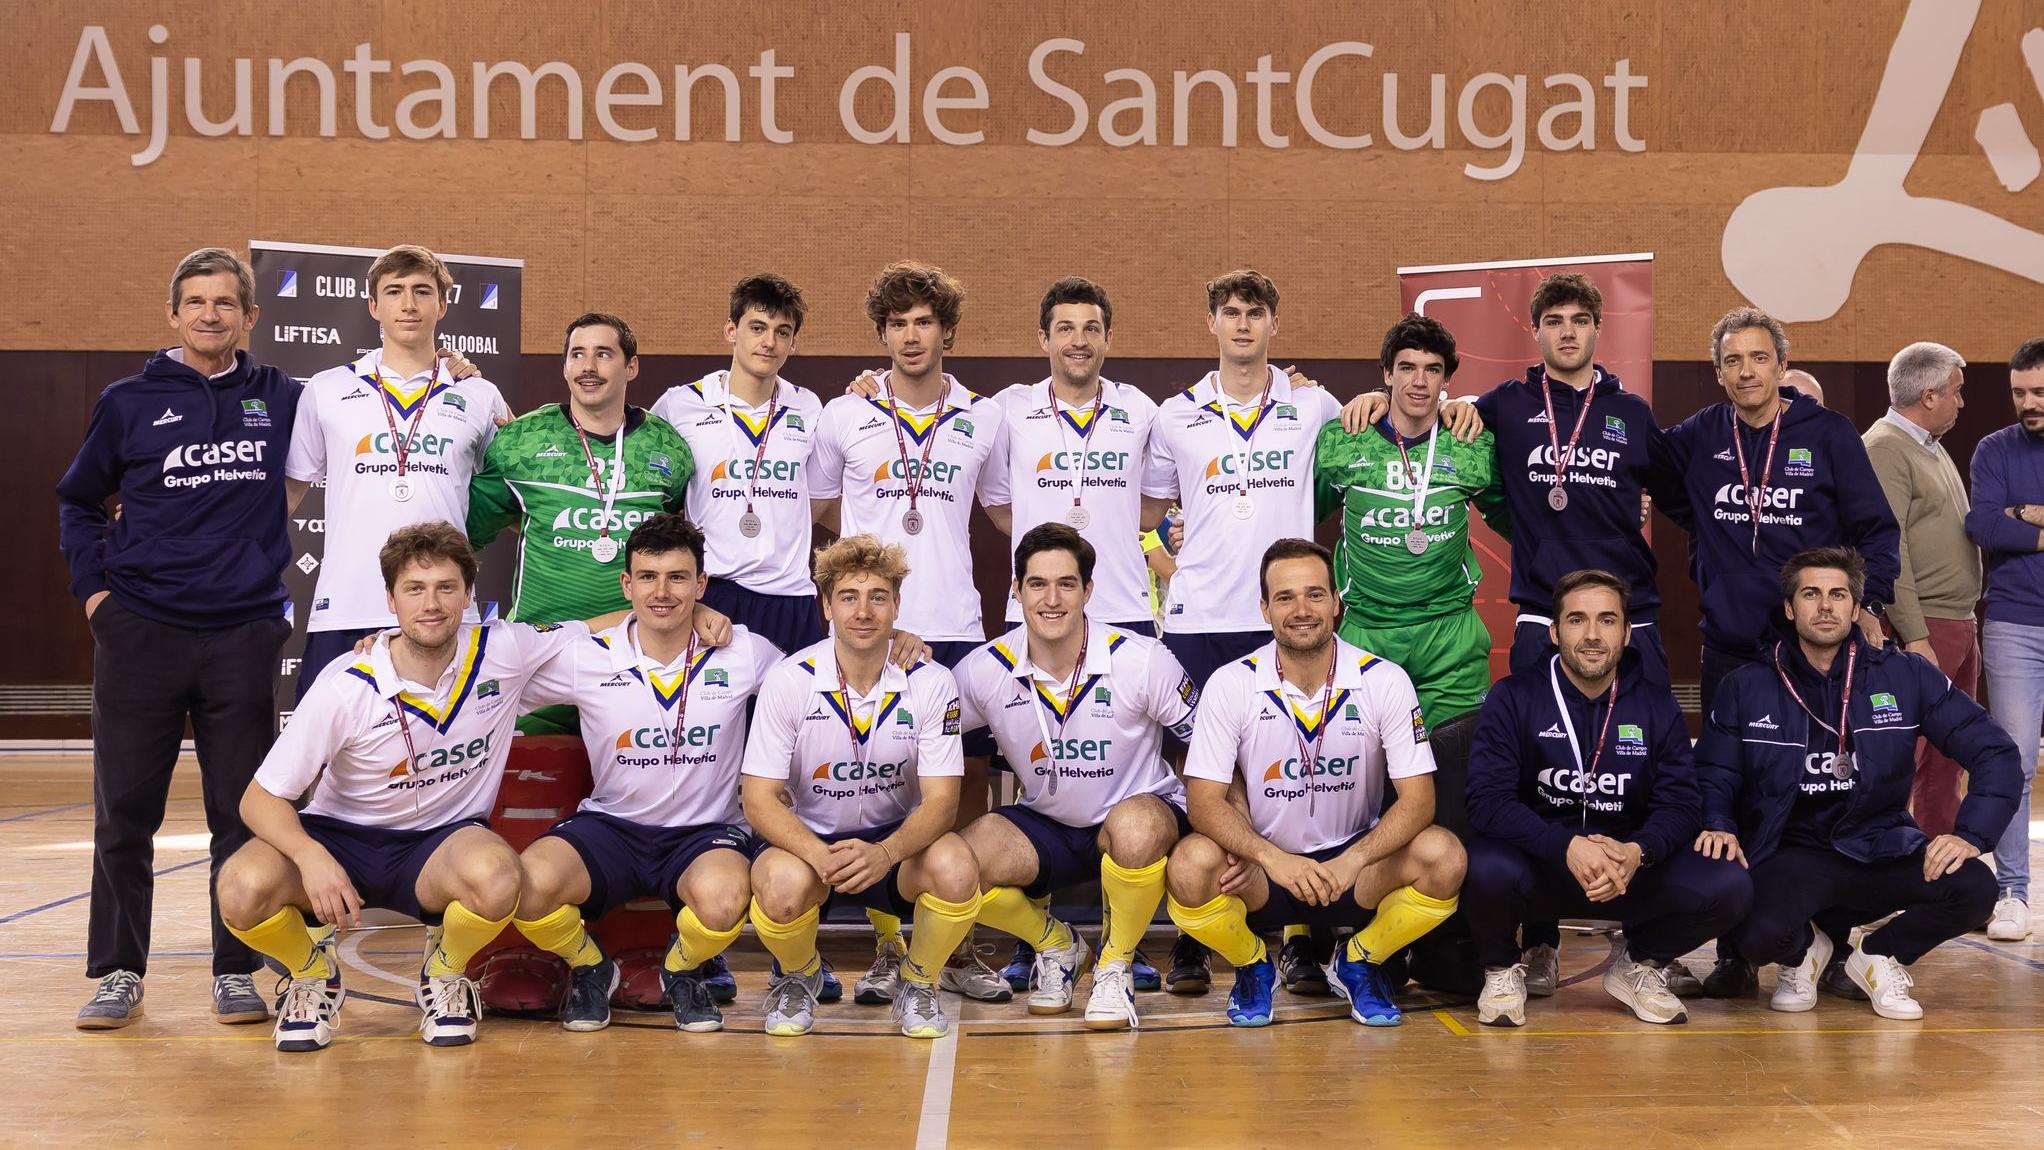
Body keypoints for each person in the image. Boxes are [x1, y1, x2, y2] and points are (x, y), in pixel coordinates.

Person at [214, 523, 589, 1051]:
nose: (431, 604)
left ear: (469, 594)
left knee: (501, 877)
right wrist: (309, 855)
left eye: (445, 587)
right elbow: (260, 799)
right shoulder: (348, 682)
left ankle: (444, 973)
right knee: (240, 887)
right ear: (391, 599)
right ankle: (311, 974)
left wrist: (693, 615)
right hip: (342, 839)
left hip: (442, 843)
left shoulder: (503, 651)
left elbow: (606, 629)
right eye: (415, 589)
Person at [56, 247, 300, 1029]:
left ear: (250, 317)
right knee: (125, 814)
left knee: (241, 814)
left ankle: (235, 968)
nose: (209, 315)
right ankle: (119, 969)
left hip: (242, 634)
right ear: (173, 313)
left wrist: (462, 377)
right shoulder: (127, 400)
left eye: (225, 303)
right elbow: (78, 502)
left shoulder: (284, 396)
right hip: (142, 632)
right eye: (194, 302)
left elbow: (380, 395)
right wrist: (97, 598)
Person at [1697, 547, 2019, 1019]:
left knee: (1974, 888)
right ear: (1790, 608)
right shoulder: (1748, 686)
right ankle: (1807, 950)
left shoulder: (1905, 675)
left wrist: (1970, 835)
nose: (1825, 606)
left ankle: (1876, 955)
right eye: (1811, 594)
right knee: (1755, 934)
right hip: (1794, 854)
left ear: (1854, 608)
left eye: (1837, 594)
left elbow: (1994, 751)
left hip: (1879, 845)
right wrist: (1720, 823)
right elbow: (1715, 772)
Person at [810, 261, 1011, 1004]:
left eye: (923, 321)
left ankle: (952, 946)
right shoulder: (845, 413)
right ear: (881, 334)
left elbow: (1000, 514)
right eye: (896, 324)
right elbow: (823, 508)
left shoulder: (984, 418)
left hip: (957, 626)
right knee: (876, 783)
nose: (910, 335)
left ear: (947, 331)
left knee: (960, 793)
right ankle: (894, 948)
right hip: (869, 627)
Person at [1162, 538, 1465, 1027]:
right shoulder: (1230, 683)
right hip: (1266, 870)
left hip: (1354, 866)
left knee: (1444, 856)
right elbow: (1202, 803)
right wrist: (1269, 857)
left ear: (1337, 601)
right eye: (1285, 598)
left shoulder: (1384, 680)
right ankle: (1252, 965)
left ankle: (1360, 960)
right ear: (1264, 608)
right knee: (1189, 866)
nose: (1301, 610)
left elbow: (1419, 800)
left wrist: (1356, 859)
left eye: (1314, 595)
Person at [509, 514, 783, 1033]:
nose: (663, 592)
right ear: (626, 584)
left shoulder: (743, 651)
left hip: (705, 833)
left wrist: (895, 640)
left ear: (701, 585)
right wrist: (389, 648)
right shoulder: (586, 658)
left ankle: (681, 971)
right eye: (649, 577)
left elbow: (818, 683)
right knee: (524, 887)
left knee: (726, 902)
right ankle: (592, 968)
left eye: (679, 578)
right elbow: (491, 672)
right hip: (612, 825)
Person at [1146, 269, 1341, 993]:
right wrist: (1168, 563)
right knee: (1207, 781)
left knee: (1290, 778)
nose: (1242, 325)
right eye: (1230, 313)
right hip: (1199, 620)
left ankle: (1295, 935)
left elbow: (1373, 430)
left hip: (1282, 619)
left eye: (1255, 313)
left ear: (1273, 325)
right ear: (1211, 324)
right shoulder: (1175, 416)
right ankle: (1196, 935)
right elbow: (1143, 513)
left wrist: (1379, 396)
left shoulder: (1312, 403)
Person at [1463, 570, 1751, 1027]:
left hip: (1625, 869)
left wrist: (1639, 851)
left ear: (1627, 632)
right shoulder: (1513, 697)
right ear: (1555, 632)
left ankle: (1639, 964)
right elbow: (1486, 800)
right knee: (1481, 866)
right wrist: (1565, 845)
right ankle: (1501, 970)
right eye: (1577, 620)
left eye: (1607, 620)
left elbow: (1681, 804)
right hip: (1542, 865)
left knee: (1729, 883)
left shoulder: (1656, 704)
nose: (1593, 635)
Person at [952, 525, 1202, 1029]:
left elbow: (1210, 747)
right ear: (1016, 590)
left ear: (1088, 591)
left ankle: (1114, 965)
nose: (1052, 598)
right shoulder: (984, 669)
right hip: (1047, 822)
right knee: (953, 865)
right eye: (1038, 584)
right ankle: (1057, 945)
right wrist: (899, 657)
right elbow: (919, 726)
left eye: (1067, 584)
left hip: (1136, 810)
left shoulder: (1142, 659)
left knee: (1135, 830)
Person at [738, 535, 984, 1039]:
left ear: (897, 605)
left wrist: (885, 853)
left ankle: (918, 982)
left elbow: (943, 802)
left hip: (895, 841)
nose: (863, 611)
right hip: (812, 838)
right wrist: (818, 854)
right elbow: (758, 798)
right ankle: (799, 974)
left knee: (957, 868)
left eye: (878, 596)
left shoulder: (933, 681)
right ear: (826, 606)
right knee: (779, 887)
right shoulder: (789, 680)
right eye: (848, 596)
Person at [285, 244, 509, 693]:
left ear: (442, 305)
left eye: (422, 291)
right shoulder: (327, 390)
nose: (408, 304)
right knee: (333, 759)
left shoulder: (480, 395)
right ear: (374, 306)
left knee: (444, 753)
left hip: (443, 610)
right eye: (394, 292)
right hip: (347, 606)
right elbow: (287, 495)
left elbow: (520, 492)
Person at [1662, 307, 1899, 717]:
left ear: (1781, 365)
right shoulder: (1702, 431)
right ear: (1719, 373)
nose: (1746, 372)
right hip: (1728, 644)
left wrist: (1871, 604)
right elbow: (1645, 464)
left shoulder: (1829, 433)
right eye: (1732, 361)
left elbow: (1876, 529)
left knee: (1807, 772)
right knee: (1726, 773)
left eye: (1759, 358)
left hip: (1811, 643)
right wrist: (1703, 522)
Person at [652, 274, 828, 655]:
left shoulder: (810, 407)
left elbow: (822, 495)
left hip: (791, 597)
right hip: (716, 594)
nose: (769, 342)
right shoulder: (679, 404)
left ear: (793, 342)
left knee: (799, 714)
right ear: (731, 330)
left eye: (783, 332)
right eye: (758, 327)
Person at [1864, 342, 1980, 841]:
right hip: (1924, 626)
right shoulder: (1886, 447)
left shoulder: (1928, 444)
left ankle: (1937, 870)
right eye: (1956, 392)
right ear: (1928, 395)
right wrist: (1914, 636)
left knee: (1946, 759)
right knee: (1902, 758)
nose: (1961, 402)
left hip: (1955, 622)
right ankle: (1879, 868)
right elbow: (1891, 551)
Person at [1966, 338, 2044, 942]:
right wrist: (2014, 518)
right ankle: (2014, 891)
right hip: (2015, 622)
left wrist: (2025, 513)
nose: (2028, 402)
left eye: (2039, 392)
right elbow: (1983, 524)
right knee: (2012, 760)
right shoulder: (1994, 448)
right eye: (2019, 392)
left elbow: (2006, 520)